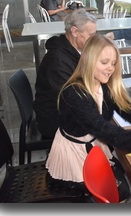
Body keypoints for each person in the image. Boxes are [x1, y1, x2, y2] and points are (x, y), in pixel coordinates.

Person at [46, 34, 131, 202]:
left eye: (113, 63)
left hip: (92, 144)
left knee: (119, 192)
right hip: (74, 153)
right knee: (106, 195)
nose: (110, 68)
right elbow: (100, 128)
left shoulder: (103, 85)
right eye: (104, 62)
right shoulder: (74, 92)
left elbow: (129, 110)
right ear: (86, 59)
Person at [33, 9, 97, 138]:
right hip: (54, 120)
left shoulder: (70, 51)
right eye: (90, 35)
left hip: (65, 112)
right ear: (74, 31)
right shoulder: (57, 60)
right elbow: (73, 100)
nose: (93, 40)